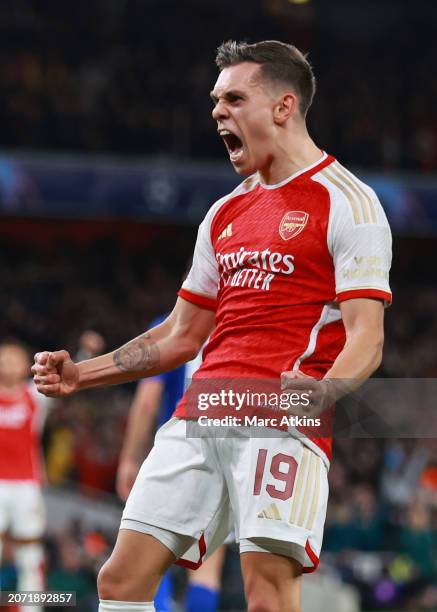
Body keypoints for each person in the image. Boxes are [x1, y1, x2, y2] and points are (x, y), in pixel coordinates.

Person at [32, 40, 392, 612]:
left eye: (234, 98)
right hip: (197, 417)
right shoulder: (224, 213)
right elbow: (180, 334)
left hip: (279, 422)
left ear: (282, 106)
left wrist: (324, 392)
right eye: (215, 101)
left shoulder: (350, 202)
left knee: (267, 593)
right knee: (120, 583)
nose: (217, 112)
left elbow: (366, 339)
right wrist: (83, 374)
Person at [116, 314, 225, 612]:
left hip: (179, 453)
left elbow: (148, 400)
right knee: (207, 567)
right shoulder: (241, 324)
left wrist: (130, 458)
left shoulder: (173, 323)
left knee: (150, 553)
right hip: (230, 455)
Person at [0, 339, 49, 612]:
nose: (7, 364)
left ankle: (32, 608)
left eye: (13, 359)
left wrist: (85, 353)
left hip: (26, 486)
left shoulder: (34, 396)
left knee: (29, 554)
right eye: (3, 359)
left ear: (25, 366)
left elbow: (62, 380)